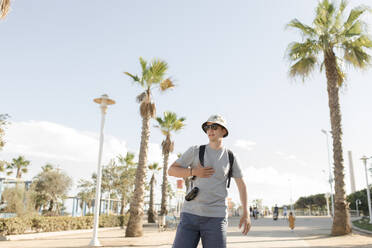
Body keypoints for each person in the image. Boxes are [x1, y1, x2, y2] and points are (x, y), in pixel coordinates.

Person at [168, 114, 251, 248]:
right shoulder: (195, 151)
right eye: (207, 127)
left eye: (214, 127)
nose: (210, 130)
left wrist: (246, 213)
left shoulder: (231, 157)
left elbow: (242, 186)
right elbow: (171, 170)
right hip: (190, 215)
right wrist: (194, 172)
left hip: (216, 219)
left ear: (223, 131)